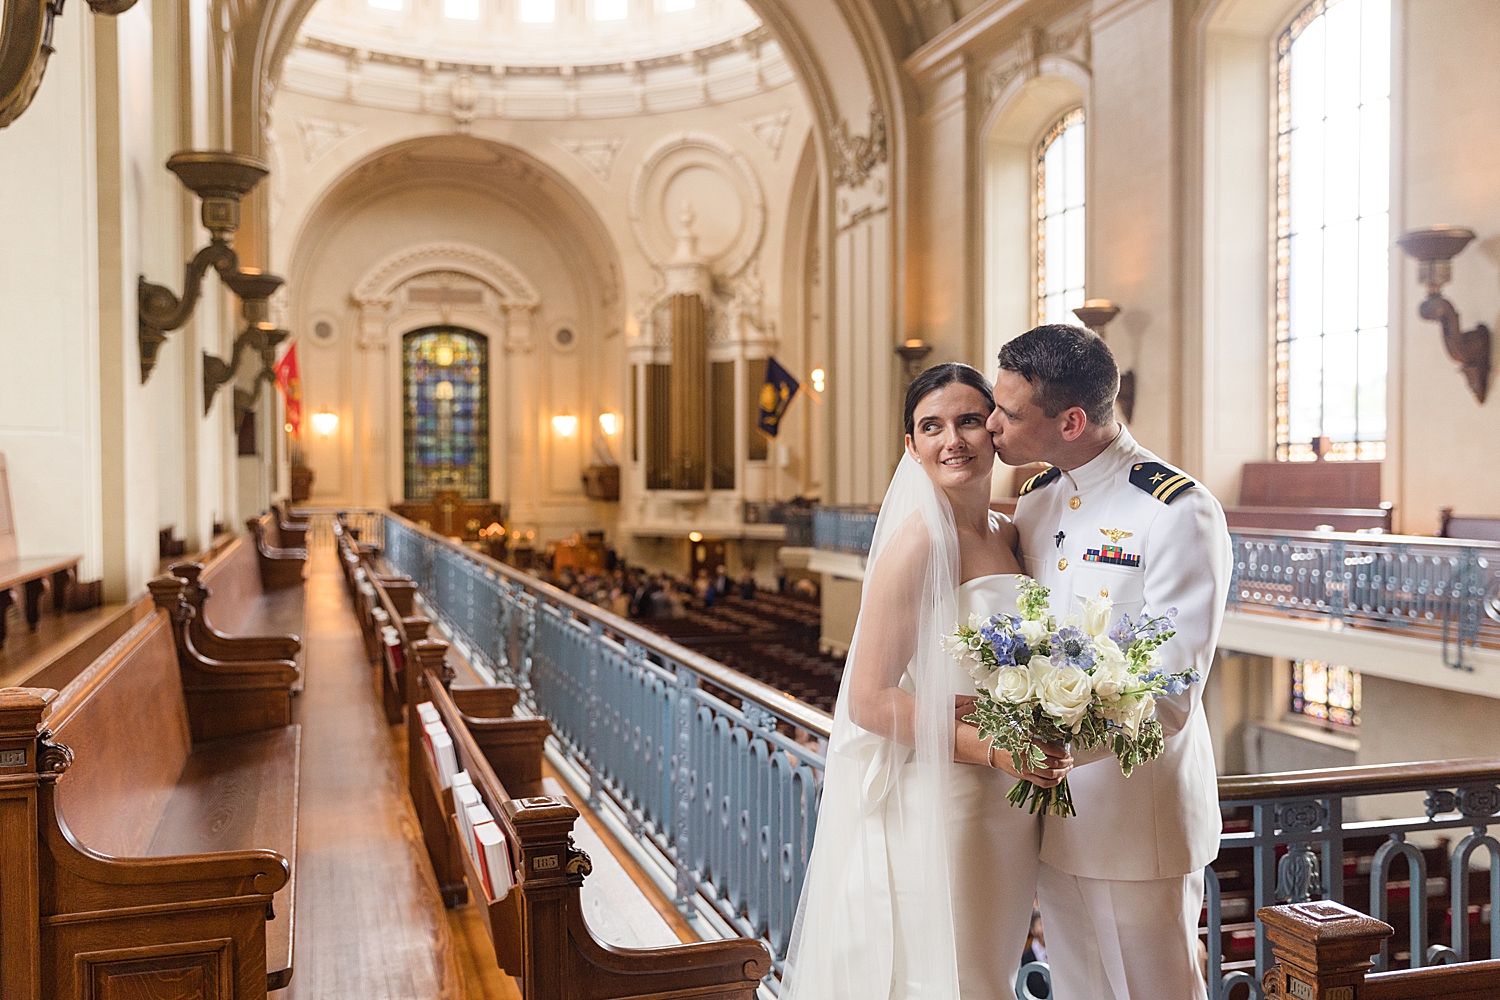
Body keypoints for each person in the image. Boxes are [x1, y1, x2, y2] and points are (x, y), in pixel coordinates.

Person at [782, 362, 1072, 1000]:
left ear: (995, 430)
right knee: (955, 977)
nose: (954, 441)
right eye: (931, 427)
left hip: (1010, 799)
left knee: (990, 968)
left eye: (969, 421)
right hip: (951, 797)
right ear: (910, 446)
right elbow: (868, 699)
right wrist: (992, 747)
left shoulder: (1008, 530)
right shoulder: (918, 544)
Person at [987, 324, 1231, 1000]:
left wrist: (1060, 748)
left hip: (1138, 819)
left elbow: (1172, 689)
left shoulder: (1176, 511)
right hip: (1055, 821)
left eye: (1008, 412)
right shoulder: (1038, 499)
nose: (991, 421)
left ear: (1069, 420)